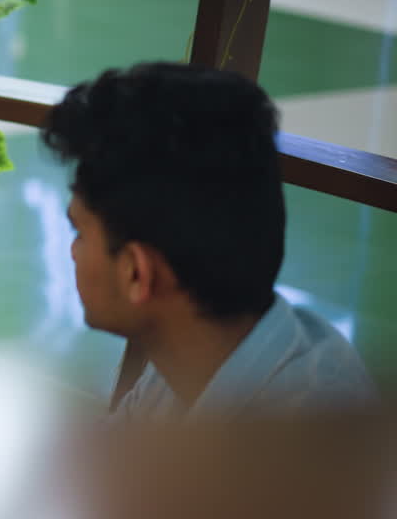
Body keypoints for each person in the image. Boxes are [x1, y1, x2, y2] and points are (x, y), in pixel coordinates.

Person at [41, 62, 377, 420]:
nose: (73, 252)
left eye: (79, 233)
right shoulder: (186, 362)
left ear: (137, 274)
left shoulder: (299, 444)